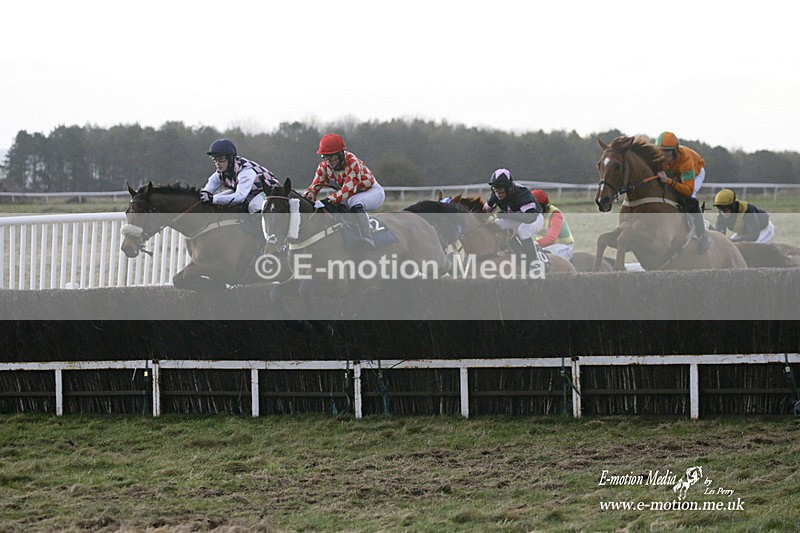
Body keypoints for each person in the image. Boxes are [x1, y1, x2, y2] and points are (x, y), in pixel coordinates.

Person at [304, 133, 385, 249]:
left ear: (341, 154)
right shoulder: (323, 167)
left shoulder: (352, 162)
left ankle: (367, 237)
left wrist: (327, 200)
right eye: (325, 156)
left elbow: (347, 191)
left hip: (372, 192)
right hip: (349, 195)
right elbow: (313, 187)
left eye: (332, 156)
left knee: (354, 201)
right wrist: (307, 198)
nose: (328, 161)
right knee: (335, 206)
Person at [655, 131, 712, 253]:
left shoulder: (686, 160)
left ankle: (703, 235)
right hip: (676, 173)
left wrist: (669, 181)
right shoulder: (658, 157)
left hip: (696, 172)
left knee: (689, 197)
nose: (663, 155)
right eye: (660, 151)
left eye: (667, 151)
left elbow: (688, 190)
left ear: (674, 151)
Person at [200, 138, 278, 213]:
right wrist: (205, 195)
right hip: (251, 192)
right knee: (219, 198)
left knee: (253, 206)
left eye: (221, 159)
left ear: (230, 158)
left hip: (271, 191)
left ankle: (260, 223)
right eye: (215, 159)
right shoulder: (220, 173)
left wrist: (212, 199)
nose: (217, 163)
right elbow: (207, 191)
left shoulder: (246, 171)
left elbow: (240, 197)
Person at [482, 169, 544, 258]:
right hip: (517, 218)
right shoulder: (495, 194)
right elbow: (484, 210)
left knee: (523, 230)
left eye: (501, 189)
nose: (498, 193)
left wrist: (507, 215)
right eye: (495, 189)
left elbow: (530, 218)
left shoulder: (522, 193)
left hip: (535, 218)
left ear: (509, 188)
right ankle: (517, 251)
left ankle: (534, 262)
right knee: (496, 225)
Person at [531, 189, 575, 260]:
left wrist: (532, 244)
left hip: (564, 247)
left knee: (545, 257)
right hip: (545, 247)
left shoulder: (555, 214)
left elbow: (551, 238)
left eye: (536, 206)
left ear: (544, 205)